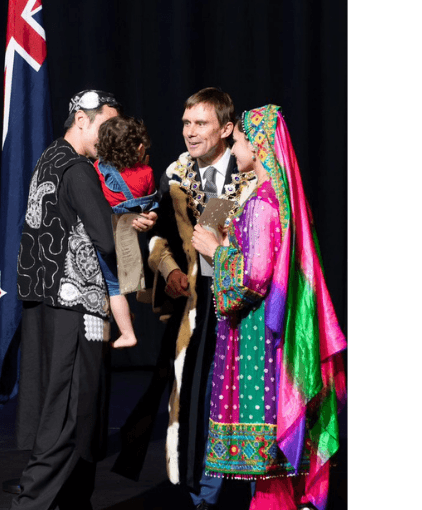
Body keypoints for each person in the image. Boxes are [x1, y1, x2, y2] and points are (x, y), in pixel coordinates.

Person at [191, 105, 347, 510]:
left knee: (269, 472)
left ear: (256, 144)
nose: (234, 144)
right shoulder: (276, 195)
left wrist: (217, 250)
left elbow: (253, 278)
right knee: (275, 471)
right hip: (265, 333)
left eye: (239, 138)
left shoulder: (261, 199)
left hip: (259, 337)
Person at [116, 87, 258, 509]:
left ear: (226, 129)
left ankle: (261, 490)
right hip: (197, 304)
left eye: (201, 124)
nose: (190, 132)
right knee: (194, 397)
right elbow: (160, 238)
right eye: (185, 123)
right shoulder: (176, 173)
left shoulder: (251, 172)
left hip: (247, 300)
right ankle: (202, 493)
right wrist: (170, 269)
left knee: (246, 396)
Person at [11, 89, 121, 510]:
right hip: (75, 309)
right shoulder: (77, 169)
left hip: (45, 304)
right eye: (104, 126)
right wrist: (133, 219)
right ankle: (32, 503)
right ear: (81, 120)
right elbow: (107, 240)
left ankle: (73, 503)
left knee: (64, 410)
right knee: (72, 416)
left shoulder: (49, 158)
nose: (109, 136)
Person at [92, 116, 159, 349]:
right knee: (123, 284)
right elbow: (149, 201)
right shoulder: (147, 172)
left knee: (112, 287)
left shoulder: (99, 169)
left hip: (107, 233)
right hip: (130, 234)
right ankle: (126, 314)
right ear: (139, 148)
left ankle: (127, 333)